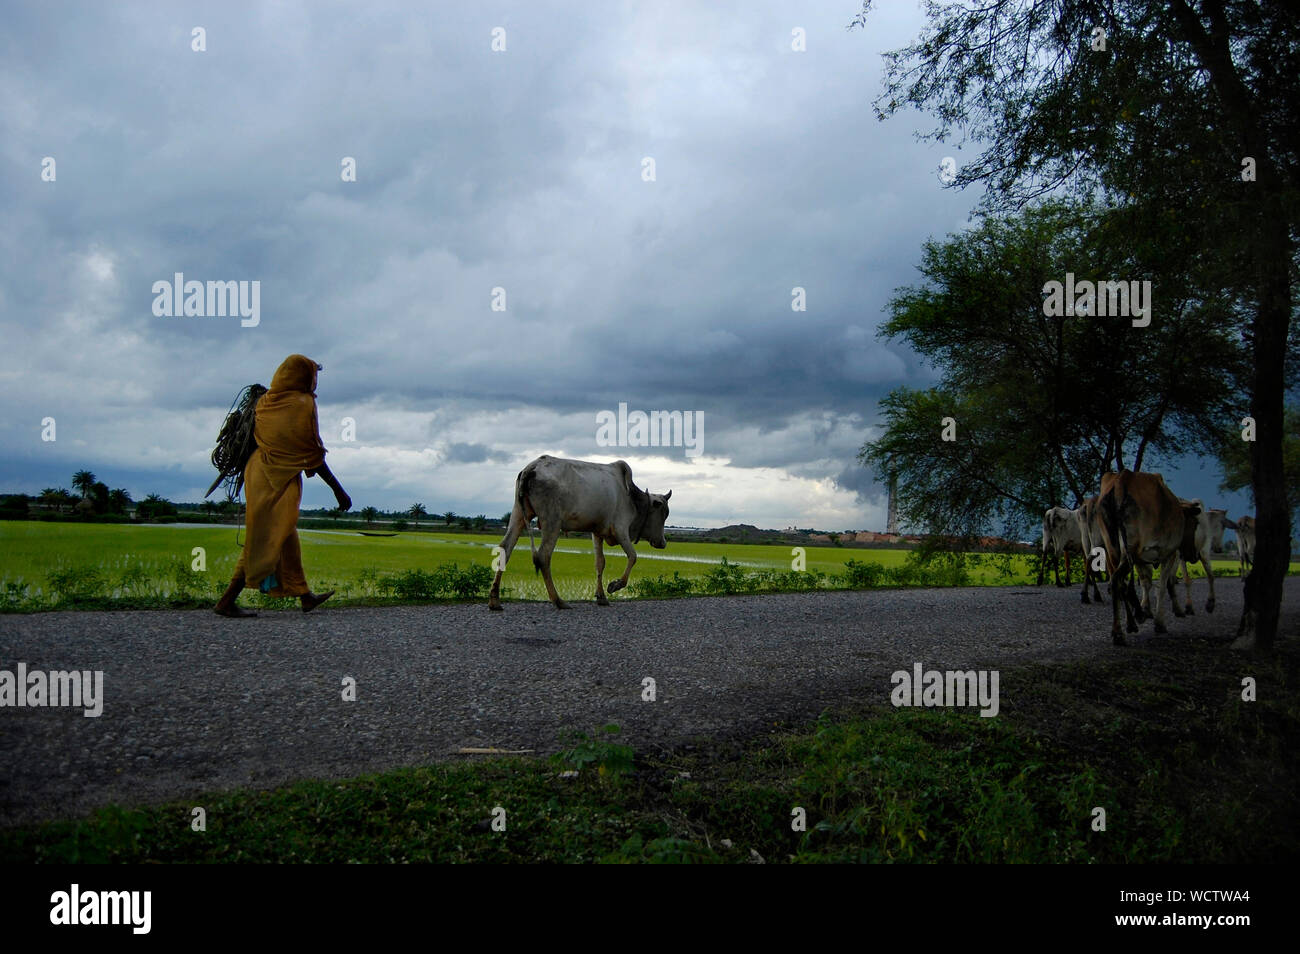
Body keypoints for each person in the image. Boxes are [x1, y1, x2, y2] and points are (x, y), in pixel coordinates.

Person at [214, 354, 351, 617]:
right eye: (314, 375)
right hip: (278, 478)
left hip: (259, 472)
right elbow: (311, 452)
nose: (316, 382)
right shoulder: (302, 404)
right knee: (266, 536)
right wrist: (338, 489)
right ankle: (225, 601)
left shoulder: (265, 401)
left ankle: (304, 595)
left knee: (283, 533)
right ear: (302, 376)